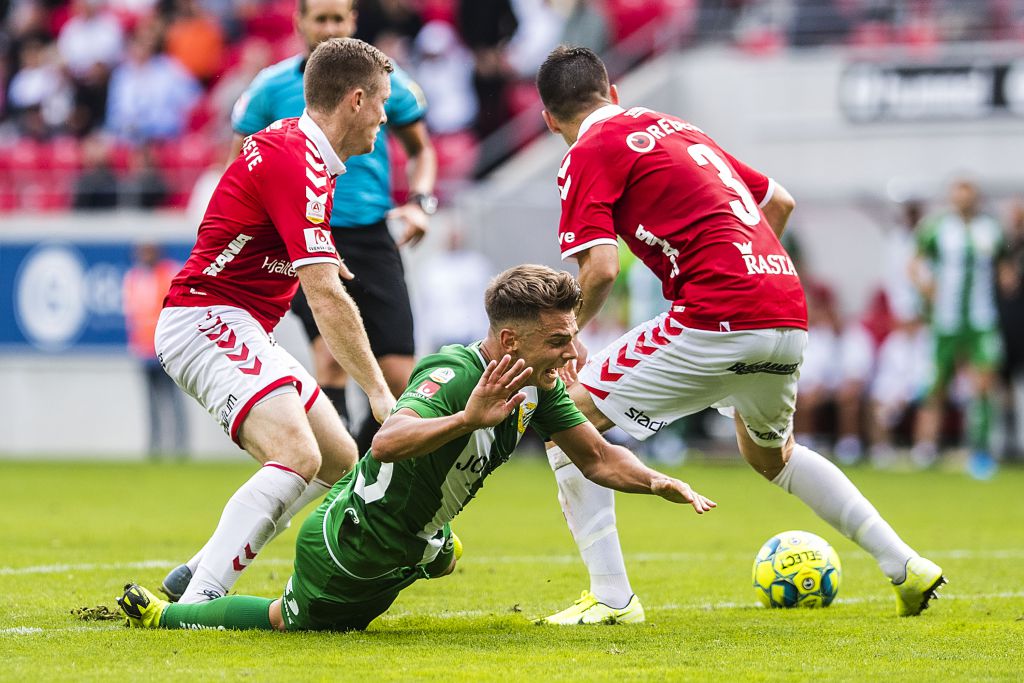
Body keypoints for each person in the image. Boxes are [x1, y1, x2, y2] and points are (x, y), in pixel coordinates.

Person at [534, 45, 944, 623]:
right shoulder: (677, 128)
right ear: (614, 93)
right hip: (785, 307)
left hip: (716, 313)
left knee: (561, 420)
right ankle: (906, 566)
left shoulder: (586, 151)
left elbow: (599, 267)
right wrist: (748, 274)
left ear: (549, 118)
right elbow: (778, 200)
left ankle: (612, 598)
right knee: (772, 455)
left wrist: (565, 334)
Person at [116, 265, 715, 632]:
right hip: (352, 546)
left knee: (444, 553)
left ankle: (433, 543)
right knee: (291, 621)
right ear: (510, 339)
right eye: (559, 340)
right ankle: (167, 614)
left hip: (405, 538)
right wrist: (467, 418)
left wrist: (657, 482)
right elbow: (388, 439)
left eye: (573, 337)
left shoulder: (537, 382)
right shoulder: (453, 376)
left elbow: (598, 457)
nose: (573, 353)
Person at [154, 38, 396, 605]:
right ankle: (202, 600)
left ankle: (194, 571)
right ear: (356, 100)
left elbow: (265, 227)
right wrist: (379, 392)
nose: (386, 116)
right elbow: (325, 298)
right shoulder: (298, 158)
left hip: (237, 322)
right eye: (382, 101)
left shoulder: (305, 155)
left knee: (338, 462)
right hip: (205, 318)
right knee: (296, 454)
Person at [229, 0, 437, 458]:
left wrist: (420, 202)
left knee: (401, 376)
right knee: (331, 355)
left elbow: (422, 150)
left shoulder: (387, 81)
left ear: (353, 22)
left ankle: (361, 469)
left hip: (370, 231)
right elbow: (241, 163)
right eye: (319, 19)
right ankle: (343, 474)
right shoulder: (270, 88)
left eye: (337, 19)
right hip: (306, 235)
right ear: (299, 22)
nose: (329, 28)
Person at [909, 179, 1007, 478]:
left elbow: (1004, 268)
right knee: (936, 385)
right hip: (946, 321)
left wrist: (1006, 279)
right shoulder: (938, 228)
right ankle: (925, 449)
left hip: (981, 319)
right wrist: (927, 290)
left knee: (984, 384)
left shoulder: (990, 229)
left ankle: (980, 450)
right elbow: (914, 264)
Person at [123, 243, 188, 458]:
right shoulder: (134, 278)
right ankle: (155, 445)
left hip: (167, 348)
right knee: (151, 401)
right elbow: (132, 314)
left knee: (173, 399)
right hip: (144, 349)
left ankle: (179, 445)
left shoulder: (169, 273)